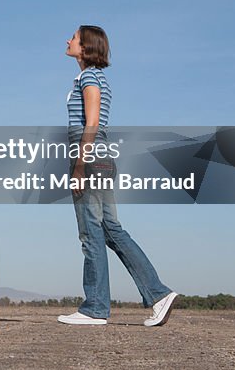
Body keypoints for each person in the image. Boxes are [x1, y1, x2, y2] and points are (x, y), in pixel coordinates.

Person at [56, 25, 179, 327]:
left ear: (85, 48)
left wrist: (80, 165)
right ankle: (158, 295)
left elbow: (92, 122)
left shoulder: (89, 77)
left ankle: (96, 308)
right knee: (110, 230)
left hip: (90, 157)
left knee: (91, 233)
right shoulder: (97, 77)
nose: (68, 40)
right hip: (101, 159)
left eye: (73, 37)